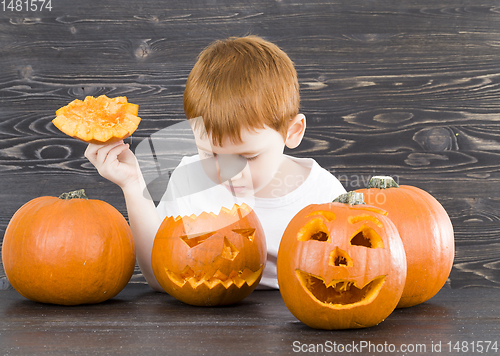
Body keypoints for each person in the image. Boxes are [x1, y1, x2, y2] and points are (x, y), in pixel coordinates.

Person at [85, 35, 346, 291]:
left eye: (247, 157)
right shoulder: (188, 179)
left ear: (293, 132)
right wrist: (132, 184)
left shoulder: (323, 194)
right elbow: (160, 274)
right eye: (211, 155)